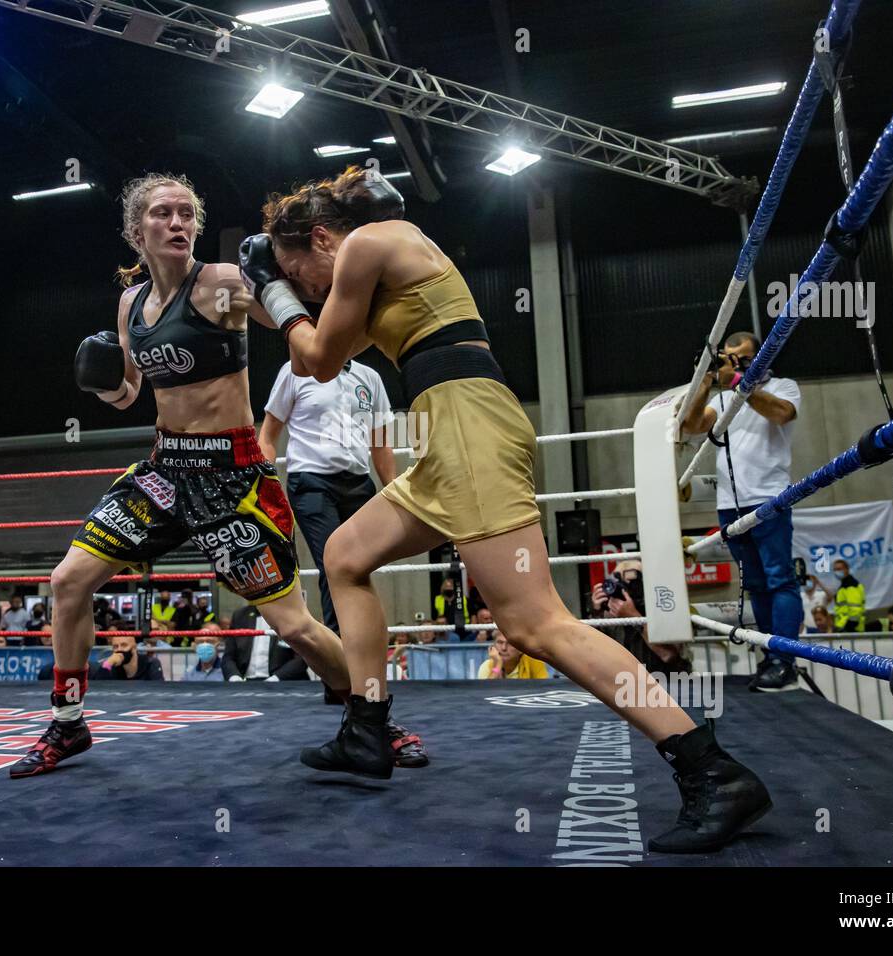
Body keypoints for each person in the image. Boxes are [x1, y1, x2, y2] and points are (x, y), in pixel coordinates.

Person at [242, 165, 769, 852]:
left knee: (534, 623)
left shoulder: (373, 242)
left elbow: (312, 356)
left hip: (468, 429)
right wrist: (263, 291)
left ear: (321, 237)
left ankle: (710, 768)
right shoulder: (387, 268)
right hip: (448, 433)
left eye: (302, 271)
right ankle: (366, 729)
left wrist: (274, 291)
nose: (310, 288)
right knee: (345, 555)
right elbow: (320, 339)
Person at [10, 172, 424, 778]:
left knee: (296, 626)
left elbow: (310, 317)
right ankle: (68, 723)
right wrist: (102, 383)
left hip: (233, 477)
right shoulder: (131, 305)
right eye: (162, 214)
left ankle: (375, 720)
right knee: (69, 581)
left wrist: (284, 282)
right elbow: (131, 393)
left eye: (186, 213)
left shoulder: (223, 287)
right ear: (136, 231)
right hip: (164, 472)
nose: (177, 223)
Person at [260, 354, 396, 702]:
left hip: (359, 484)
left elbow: (380, 442)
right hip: (312, 482)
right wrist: (264, 489)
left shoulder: (370, 377)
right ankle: (341, 678)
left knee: (357, 571)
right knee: (334, 567)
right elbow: (269, 434)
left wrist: (396, 491)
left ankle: (356, 674)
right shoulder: (294, 370)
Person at [680, 331, 803, 691]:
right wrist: (706, 377)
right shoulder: (722, 400)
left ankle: (784, 659)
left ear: (761, 356)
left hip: (769, 498)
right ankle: (770, 655)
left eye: (742, 358)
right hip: (729, 504)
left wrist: (738, 381)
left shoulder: (783, 386)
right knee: (757, 584)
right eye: (729, 357)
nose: (735, 364)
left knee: (780, 579)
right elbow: (690, 426)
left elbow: (781, 415)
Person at [591, 562, 690, 675]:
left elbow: (668, 655)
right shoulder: (612, 616)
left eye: (630, 584)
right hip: (627, 684)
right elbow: (594, 657)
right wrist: (597, 614)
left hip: (667, 683)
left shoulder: (664, 609)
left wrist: (634, 618)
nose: (622, 590)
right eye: (618, 583)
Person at [477, 630, 548, 680]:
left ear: (521, 649)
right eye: (500, 642)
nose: (503, 648)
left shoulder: (534, 662)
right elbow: (487, 692)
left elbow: (544, 691)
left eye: (510, 643)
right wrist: (498, 665)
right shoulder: (487, 666)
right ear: (494, 646)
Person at [93, 634, 163, 682]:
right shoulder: (112, 665)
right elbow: (99, 687)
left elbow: (159, 690)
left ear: (134, 648)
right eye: (115, 646)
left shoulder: (150, 663)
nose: (119, 649)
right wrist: (108, 663)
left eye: (124, 645)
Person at [822, 559, 866, 632]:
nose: (837, 572)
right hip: (844, 627)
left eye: (839, 569)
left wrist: (849, 626)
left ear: (847, 569)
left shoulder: (851, 586)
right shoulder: (844, 586)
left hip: (851, 629)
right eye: (835, 570)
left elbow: (855, 609)